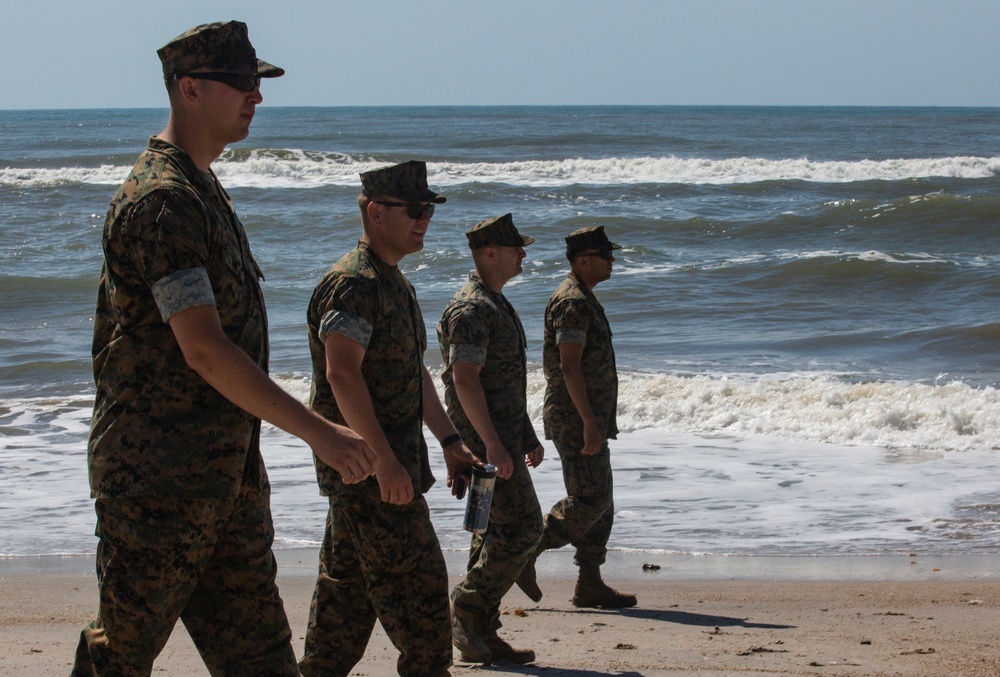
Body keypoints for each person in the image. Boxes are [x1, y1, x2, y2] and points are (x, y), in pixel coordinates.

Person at [72, 21, 376, 676]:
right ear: (189, 89)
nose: (255, 96)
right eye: (241, 82)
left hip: (225, 482)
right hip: (157, 485)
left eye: (256, 82)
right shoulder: (162, 200)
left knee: (262, 662)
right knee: (118, 659)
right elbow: (204, 349)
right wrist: (320, 432)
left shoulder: (201, 188)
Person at [300, 160, 480, 677]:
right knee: (424, 612)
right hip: (371, 475)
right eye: (415, 210)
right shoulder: (353, 284)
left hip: (375, 473)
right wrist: (383, 463)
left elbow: (413, 372)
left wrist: (448, 438)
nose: (425, 219)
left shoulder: (391, 282)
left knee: (341, 616)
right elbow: (342, 374)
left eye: (429, 210)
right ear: (376, 213)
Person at [437, 214, 544, 664]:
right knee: (523, 528)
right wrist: (493, 447)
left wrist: (526, 435)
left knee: (490, 533)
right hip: (485, 444)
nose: (523, 253)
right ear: (489, 253)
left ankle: (480, 631)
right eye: (515, 246)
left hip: (498, 438)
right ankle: (466, 607)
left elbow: (505, 383)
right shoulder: (472, 309)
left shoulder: (494, 302)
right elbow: (464, 381)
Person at [515, 226, 637, 609]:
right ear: (583, 260)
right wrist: (587, 420)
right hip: (575, 417)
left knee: (602, 500)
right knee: (591, 498)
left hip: (588, 416)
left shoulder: (582, 297)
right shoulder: (572, 302)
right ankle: (525, 550)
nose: (612, 260)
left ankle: (589, 582)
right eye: (605, 255)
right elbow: (569, 367)